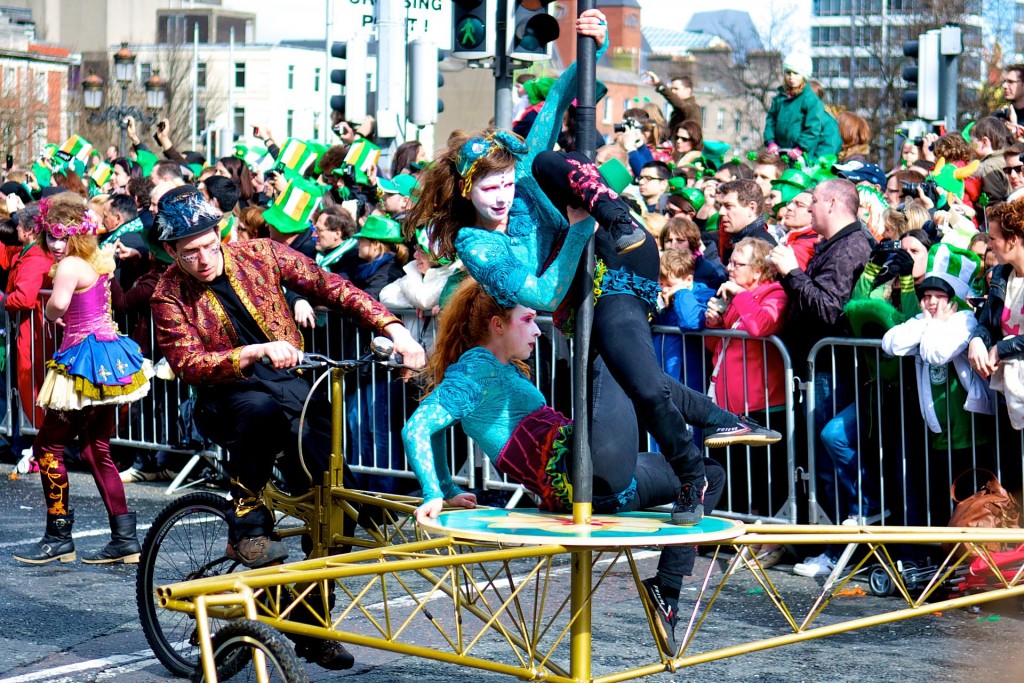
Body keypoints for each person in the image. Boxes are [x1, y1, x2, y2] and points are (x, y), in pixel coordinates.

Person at [150, 184, 426, 670]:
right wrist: (253, 353)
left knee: (335, 510)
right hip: (227, 398)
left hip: (299, 390)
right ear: (172, 251)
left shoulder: (260, 254)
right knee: (258, 409)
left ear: (222, 232)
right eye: (189, 252)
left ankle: (308, 625)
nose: (204, 259)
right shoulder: (167, 293)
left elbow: (332, 287)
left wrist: (394, 329)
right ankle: (248, 515)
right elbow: (188, 363)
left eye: (210, 245)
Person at [403, 278, 728, 651]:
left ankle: (666, 592)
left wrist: (447, 488)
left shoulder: (498, 369)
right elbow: (418, 428)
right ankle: (718, 417)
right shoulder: (476, 367)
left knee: (707, 475)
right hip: (584, 469)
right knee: (613, 350)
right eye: (527, 320)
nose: (537, 331)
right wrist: (436, 491)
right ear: (498, 324)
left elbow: (436, 429)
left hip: (602, 486)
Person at [12, 192, 153, 566]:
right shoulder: (98, 260)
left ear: (77, 234)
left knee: (47, 448)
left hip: (83, 363)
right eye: (51, 236)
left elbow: (54, 307)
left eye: (61, 236)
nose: (55, 245)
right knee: (95, 450)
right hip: (105, 358)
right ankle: (124, 539)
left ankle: (58, 536)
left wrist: (53, 311)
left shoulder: (72, 265)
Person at [968, 200, 1024, 425]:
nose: (989, 245)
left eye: (993, 238)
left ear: (1012, 239)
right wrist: (977, 341)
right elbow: (988, 322)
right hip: (1009, 394)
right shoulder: (1001, 275)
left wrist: (1001, 349)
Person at [763, 52, 827, 163]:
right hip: (778, 152)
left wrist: (800, 148)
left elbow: (813, 128)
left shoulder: (811, 100)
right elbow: (770, 120)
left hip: (800, 156)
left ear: (803, 75)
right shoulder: (780, 98)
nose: (791, 77)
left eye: (796, 73)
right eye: (788, 73)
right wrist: (771, 142)